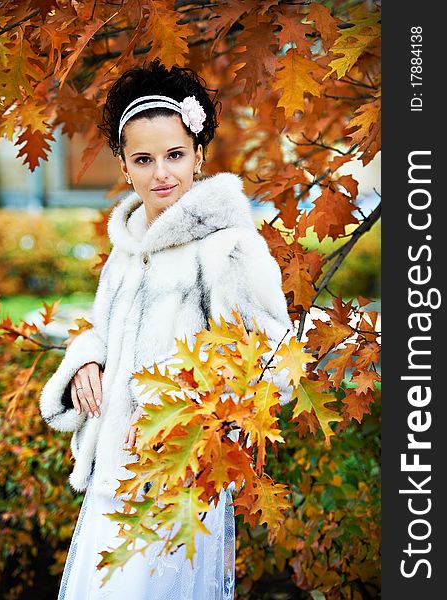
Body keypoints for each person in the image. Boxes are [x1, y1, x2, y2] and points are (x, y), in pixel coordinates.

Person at [39, 58, 296, 599]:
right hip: (114, 476)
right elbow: (104, 333)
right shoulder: (128, 249)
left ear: (199, 154)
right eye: (144, 159)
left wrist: (185, 411)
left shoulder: (227, 248)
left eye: (175, 155)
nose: (162, 173)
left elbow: (275, 364)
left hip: (178, 486)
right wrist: (86, 358)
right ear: (123, 166)